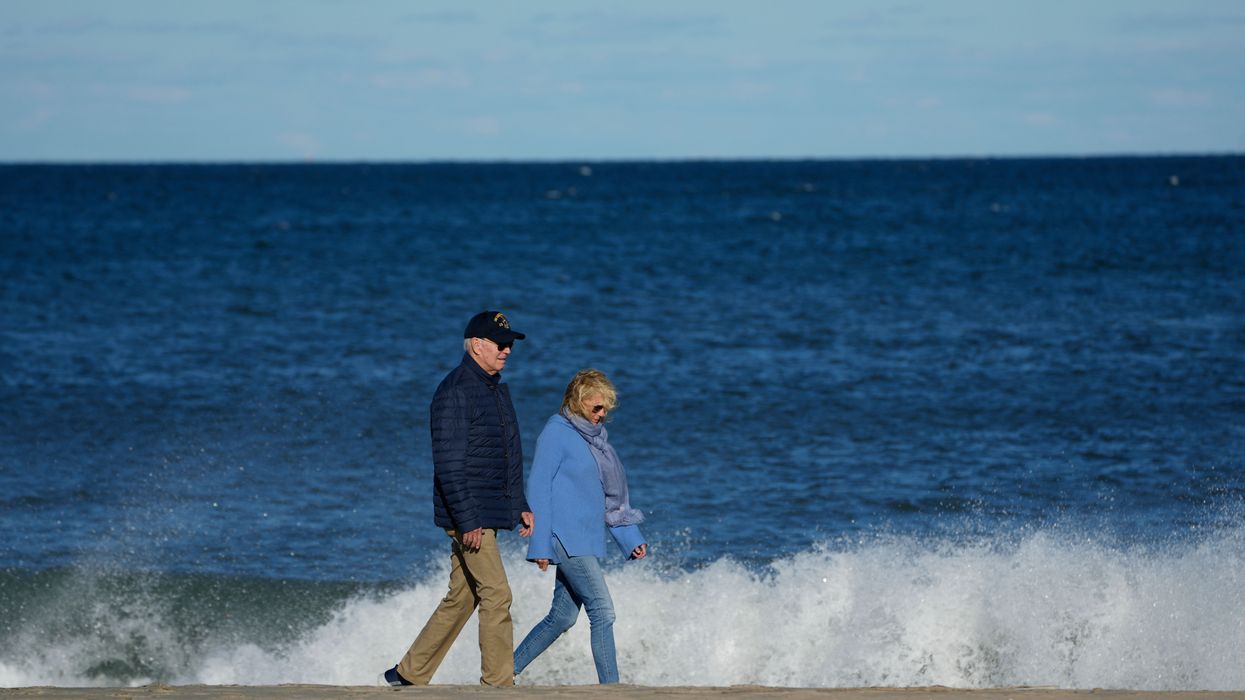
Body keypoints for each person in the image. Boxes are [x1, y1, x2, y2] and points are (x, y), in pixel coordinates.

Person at [382, 310, 534, 687]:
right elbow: (448, 466)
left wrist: (520, 505)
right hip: (470, 517)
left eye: (510, 344)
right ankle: (499, 685)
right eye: (501, 344)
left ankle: (409, 673)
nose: (507, 351)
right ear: (477, 345)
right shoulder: (455, 391)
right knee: (498, 594)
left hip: (486, 512)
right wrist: (467, 521)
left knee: (463, 598)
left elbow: (509, 454)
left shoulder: (494, 388)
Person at [513, 369, 648, 685]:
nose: (602, 415)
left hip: (585, 538)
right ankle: (611, 688)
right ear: (577, 401)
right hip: (565, 537)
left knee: (561, 617)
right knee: (603, 611)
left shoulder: (596, 439)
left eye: (605, 409)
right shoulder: (556, 433)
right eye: (596, 407)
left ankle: (503, 672)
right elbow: (539, 489)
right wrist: (541, 547)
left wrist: (629, 537)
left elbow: (608, 497)